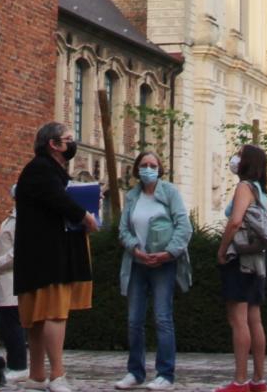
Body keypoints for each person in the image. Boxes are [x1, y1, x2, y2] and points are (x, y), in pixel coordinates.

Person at [14, 122, 97, 392]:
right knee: (53, 313)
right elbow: (59, 200)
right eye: (68, 138)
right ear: (54, 144)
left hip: (38, 255)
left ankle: (37, 375)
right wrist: (86, 216)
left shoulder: (47, 170)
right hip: (49, 256)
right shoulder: (42, 169)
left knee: (39, 317)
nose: (72, 143)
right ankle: (57, 374)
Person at [116, 149, 192, 391]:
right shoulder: (132, 196)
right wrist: (135, 249)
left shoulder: (170, 192)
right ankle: (135, 372)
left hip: (163, 264)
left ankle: (165, 374)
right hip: (137, 264)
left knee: (162, 318)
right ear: (137, 169)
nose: (148, 169)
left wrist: (168, 253)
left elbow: (184, 226)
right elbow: (123, 230)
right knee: (134, 320)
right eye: (144, 165)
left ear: (160, 169)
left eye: (152, 165)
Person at [215, 142, 267, 392]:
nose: (235, 159)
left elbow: (235, 221)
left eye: (239, 155)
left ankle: (239, 381)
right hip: (257, 261)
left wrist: (222, 249)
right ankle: (258, 380)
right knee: (254, 319)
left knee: (238, 320)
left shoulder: (244, 187)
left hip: (240, 258)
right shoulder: (260, 190)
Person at [0, 186, 29, 380]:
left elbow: (19, 250)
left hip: (12, 277)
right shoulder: (12, 218)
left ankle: (19, 365)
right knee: (6, 323)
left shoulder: (22, 219)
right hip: (5, 278)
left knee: (12, 323)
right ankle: (14, 363)